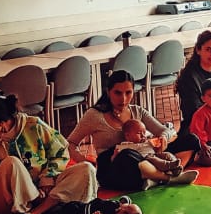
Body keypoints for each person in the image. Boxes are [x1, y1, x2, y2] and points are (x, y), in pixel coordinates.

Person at [0, 94, 96, 214]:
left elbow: (61, 150)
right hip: (6, 202)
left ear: (1, 122)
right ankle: (43, 209)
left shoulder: (33, 125)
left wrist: (48, 177)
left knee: (86, 169)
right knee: (11, 162)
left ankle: (36, 213)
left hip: (42, 192)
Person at [67, 70, 201, 191]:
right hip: (116, 166)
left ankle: (165, 174)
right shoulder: (95, 115)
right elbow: (70, 143)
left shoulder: (137, 111)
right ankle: (168, 179)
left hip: (147, 156)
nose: (123, 98)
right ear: (108, 92)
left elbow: (165, 130)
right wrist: (85, 161)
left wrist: (163, 138)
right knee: (127, 155)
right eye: (118, 93)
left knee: (191, 139)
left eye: (128, 93)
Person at [114, 119, 184, 178]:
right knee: (152, 158)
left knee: (167, 154)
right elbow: (118, 158)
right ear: (127, 135)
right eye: (139, 133)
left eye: (144, 133)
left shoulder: (147, 141)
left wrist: (159, 145)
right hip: (145, 160)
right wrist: (114, 155)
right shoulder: (124, 145)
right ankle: (168, 166)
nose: (143, 135)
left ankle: (176, 168)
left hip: (154, 154)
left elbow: (157, 148)